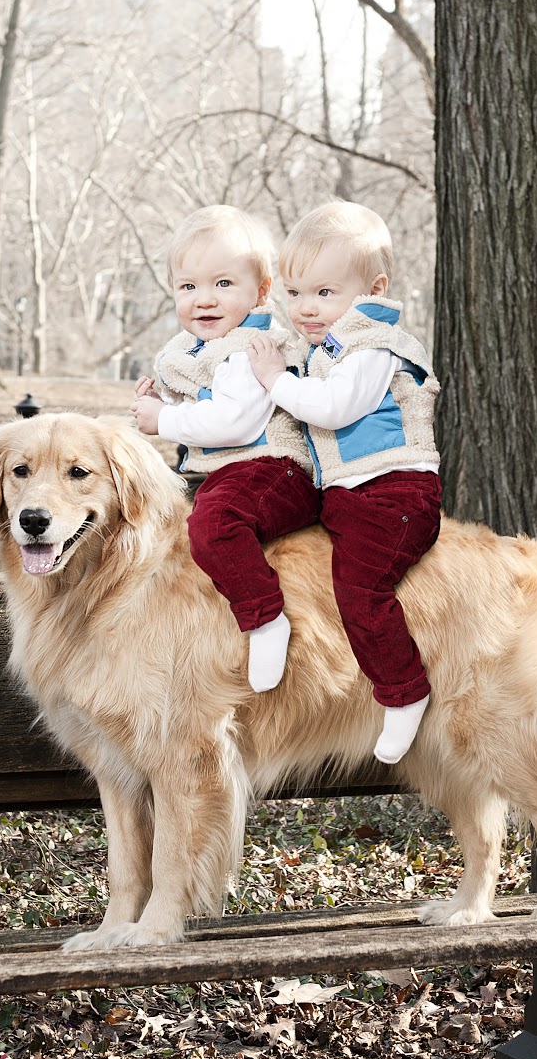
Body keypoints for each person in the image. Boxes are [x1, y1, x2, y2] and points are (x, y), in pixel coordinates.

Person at [244, 201, 441, 763]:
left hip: (394, 494)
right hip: (348, 493)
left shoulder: (373, 345)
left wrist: (275, 379)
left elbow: (331, 409)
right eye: (295, 292)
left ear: (373, 288)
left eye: (325, 293)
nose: (306, 308)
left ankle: (404, 692)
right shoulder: (322, 346)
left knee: (361, 590)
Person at [131, 205, 319, 692]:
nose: (203, 300)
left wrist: (165, 420)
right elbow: (202, 402)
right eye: (188, 286)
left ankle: (265, 620)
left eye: (222, 284)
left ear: (260, 291)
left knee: (215, 524)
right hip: (227, 473)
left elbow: (233, 421)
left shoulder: (250, 349)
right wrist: (159, 400)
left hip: (273, 469)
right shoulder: (195, 350)